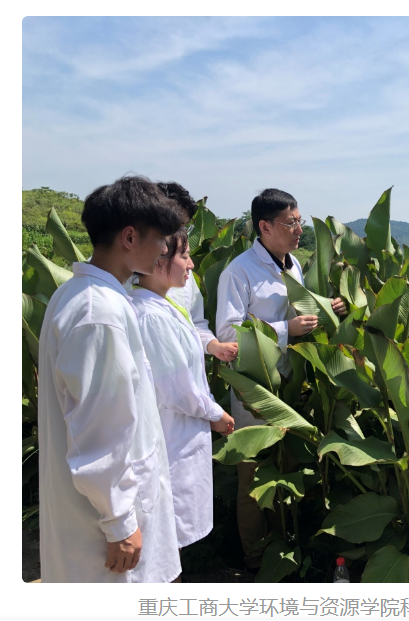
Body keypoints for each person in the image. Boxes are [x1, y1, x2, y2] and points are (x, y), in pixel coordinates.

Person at [37, 175, 183, 582]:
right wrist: (119, 522)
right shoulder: (98, 313)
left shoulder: (82, 295)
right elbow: (99, 428)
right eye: (161, 240)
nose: (164, 251)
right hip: (103, 528)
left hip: (101, 512)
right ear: (130, 237)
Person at [215, 188, 347, 572]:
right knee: (253, 480)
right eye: (291, 223)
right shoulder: (239, 271)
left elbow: (296, 312)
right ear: (265, 226)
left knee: (282, 470)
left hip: (289, 386)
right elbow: (228, 335)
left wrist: (326, 308)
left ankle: (281, 545)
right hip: (256, 392)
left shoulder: (293, 266)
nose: (299, 230)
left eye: (300, 222)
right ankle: (256, 560)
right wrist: (287, 330)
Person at [129, 227, 236, 581]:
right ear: (159, 261)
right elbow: (177, 388)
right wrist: (215, 413)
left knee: (170, 540)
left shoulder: (163, 305)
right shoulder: (151, 315)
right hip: (172, 435)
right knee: (163, 539)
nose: (191, 264)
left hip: (181, 431)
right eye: (185, 256)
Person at [149, 182, 238, 363]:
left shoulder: (184, 274)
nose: (179, 234)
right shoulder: (121, 274)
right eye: (174, 226)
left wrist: (214, 346)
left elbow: (195, 322)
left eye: (183, 227)